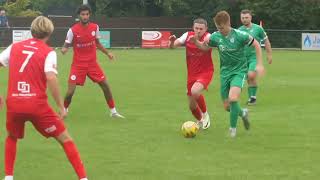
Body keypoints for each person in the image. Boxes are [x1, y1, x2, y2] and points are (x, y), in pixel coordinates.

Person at [0, 16, 88, 180]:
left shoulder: (14, 47)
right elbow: (51, 78)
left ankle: (8, 177)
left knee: (12, 137)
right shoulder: (48, 52)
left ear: (32, 30)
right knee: (65, 138)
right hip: (36, 105)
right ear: (50, 32)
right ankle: (83, 178)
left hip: (14, 103)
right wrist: (61, 106)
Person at [191, 11, 265, 137]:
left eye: (222, 27)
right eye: (218, 28)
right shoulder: (215, 37)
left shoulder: (240, 35)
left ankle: (232, 130)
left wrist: (259, 64)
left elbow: (257, 44)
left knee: (233, 98)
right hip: (225, 73)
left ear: (228, 23)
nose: (220, 30)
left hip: (239, 71)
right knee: (227, 106)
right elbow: (205, 47)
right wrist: (196, 42)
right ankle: (243, 113)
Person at [61, 4, 124, 118]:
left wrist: (108, 53)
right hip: (78, 65)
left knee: (105, 85)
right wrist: (64, 49)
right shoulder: (72, 30)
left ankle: (113, 111)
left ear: (89, 15)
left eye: (87, 14)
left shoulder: (95, 27)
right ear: (79, 15)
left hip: (92, 64)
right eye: (82, 14)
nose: (85, 16)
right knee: (70, 92)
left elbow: (98, 44)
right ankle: (64, 109)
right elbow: (65, 45)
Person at [168, 18, 213, 129]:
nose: (198, 31)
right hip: (192, 74)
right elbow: (173, 47)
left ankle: (205, 114)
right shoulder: (187, 35)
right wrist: (172, 42)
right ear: (193, 28)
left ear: (206, 29)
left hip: (205, 71)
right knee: (192, 106)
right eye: (196, 28)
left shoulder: (209, 37)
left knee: (195, 91)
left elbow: (205, 48)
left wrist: (196, 41)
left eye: (201, 29)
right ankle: (200, 121)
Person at [239, 9, 272, 105]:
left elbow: (266, 41)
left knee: (251, 75)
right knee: (249, 78)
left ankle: (252, 98)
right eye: (243, 18)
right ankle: (252, 98)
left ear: (251, 18)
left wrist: (269, 54)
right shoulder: (239, 30)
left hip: (255, 57)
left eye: (246, 17)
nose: (245, 19)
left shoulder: (258, 28)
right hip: (243, 59)